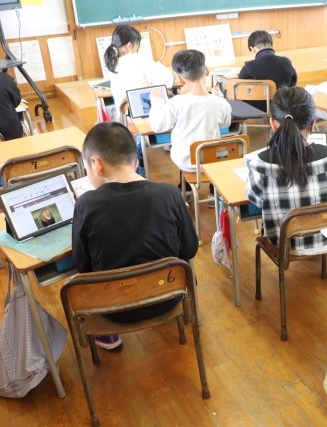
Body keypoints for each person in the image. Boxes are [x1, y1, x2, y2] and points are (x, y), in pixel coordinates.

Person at [72, 122, 198, 350]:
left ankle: (107, 337)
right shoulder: (170, 194)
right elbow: (189, 249)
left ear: (96, 164)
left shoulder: (85, 205)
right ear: (136, 161)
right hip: (168, 296)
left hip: (113, 309)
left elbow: (82, 265)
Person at [245, 87, 327, 256]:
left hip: (283, 245)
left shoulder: (259, 164)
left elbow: (254, 199)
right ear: (313, 123)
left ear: (273, 123)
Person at [149, 49, 231, 175]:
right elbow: (225, 124)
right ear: (206, 70)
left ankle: (186, 184)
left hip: (185, 162)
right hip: (213, 159)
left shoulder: (175, 103)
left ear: (181, 79)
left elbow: (157, 127)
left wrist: (156, 103)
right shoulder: (221, 103)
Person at [104, 25, 175, 112]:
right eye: (137, 44)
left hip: (126, 114)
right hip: (145, 111)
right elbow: (167, 81)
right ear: (129, 46)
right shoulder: (139, 59)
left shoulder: (112, 62)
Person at [237, 30, 297, 112]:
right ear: (271, 46)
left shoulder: (249, 66)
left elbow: (240, 88)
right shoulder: (286, 62)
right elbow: (293, 84)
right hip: (282, 108)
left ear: (252, 49)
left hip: (255, 110)